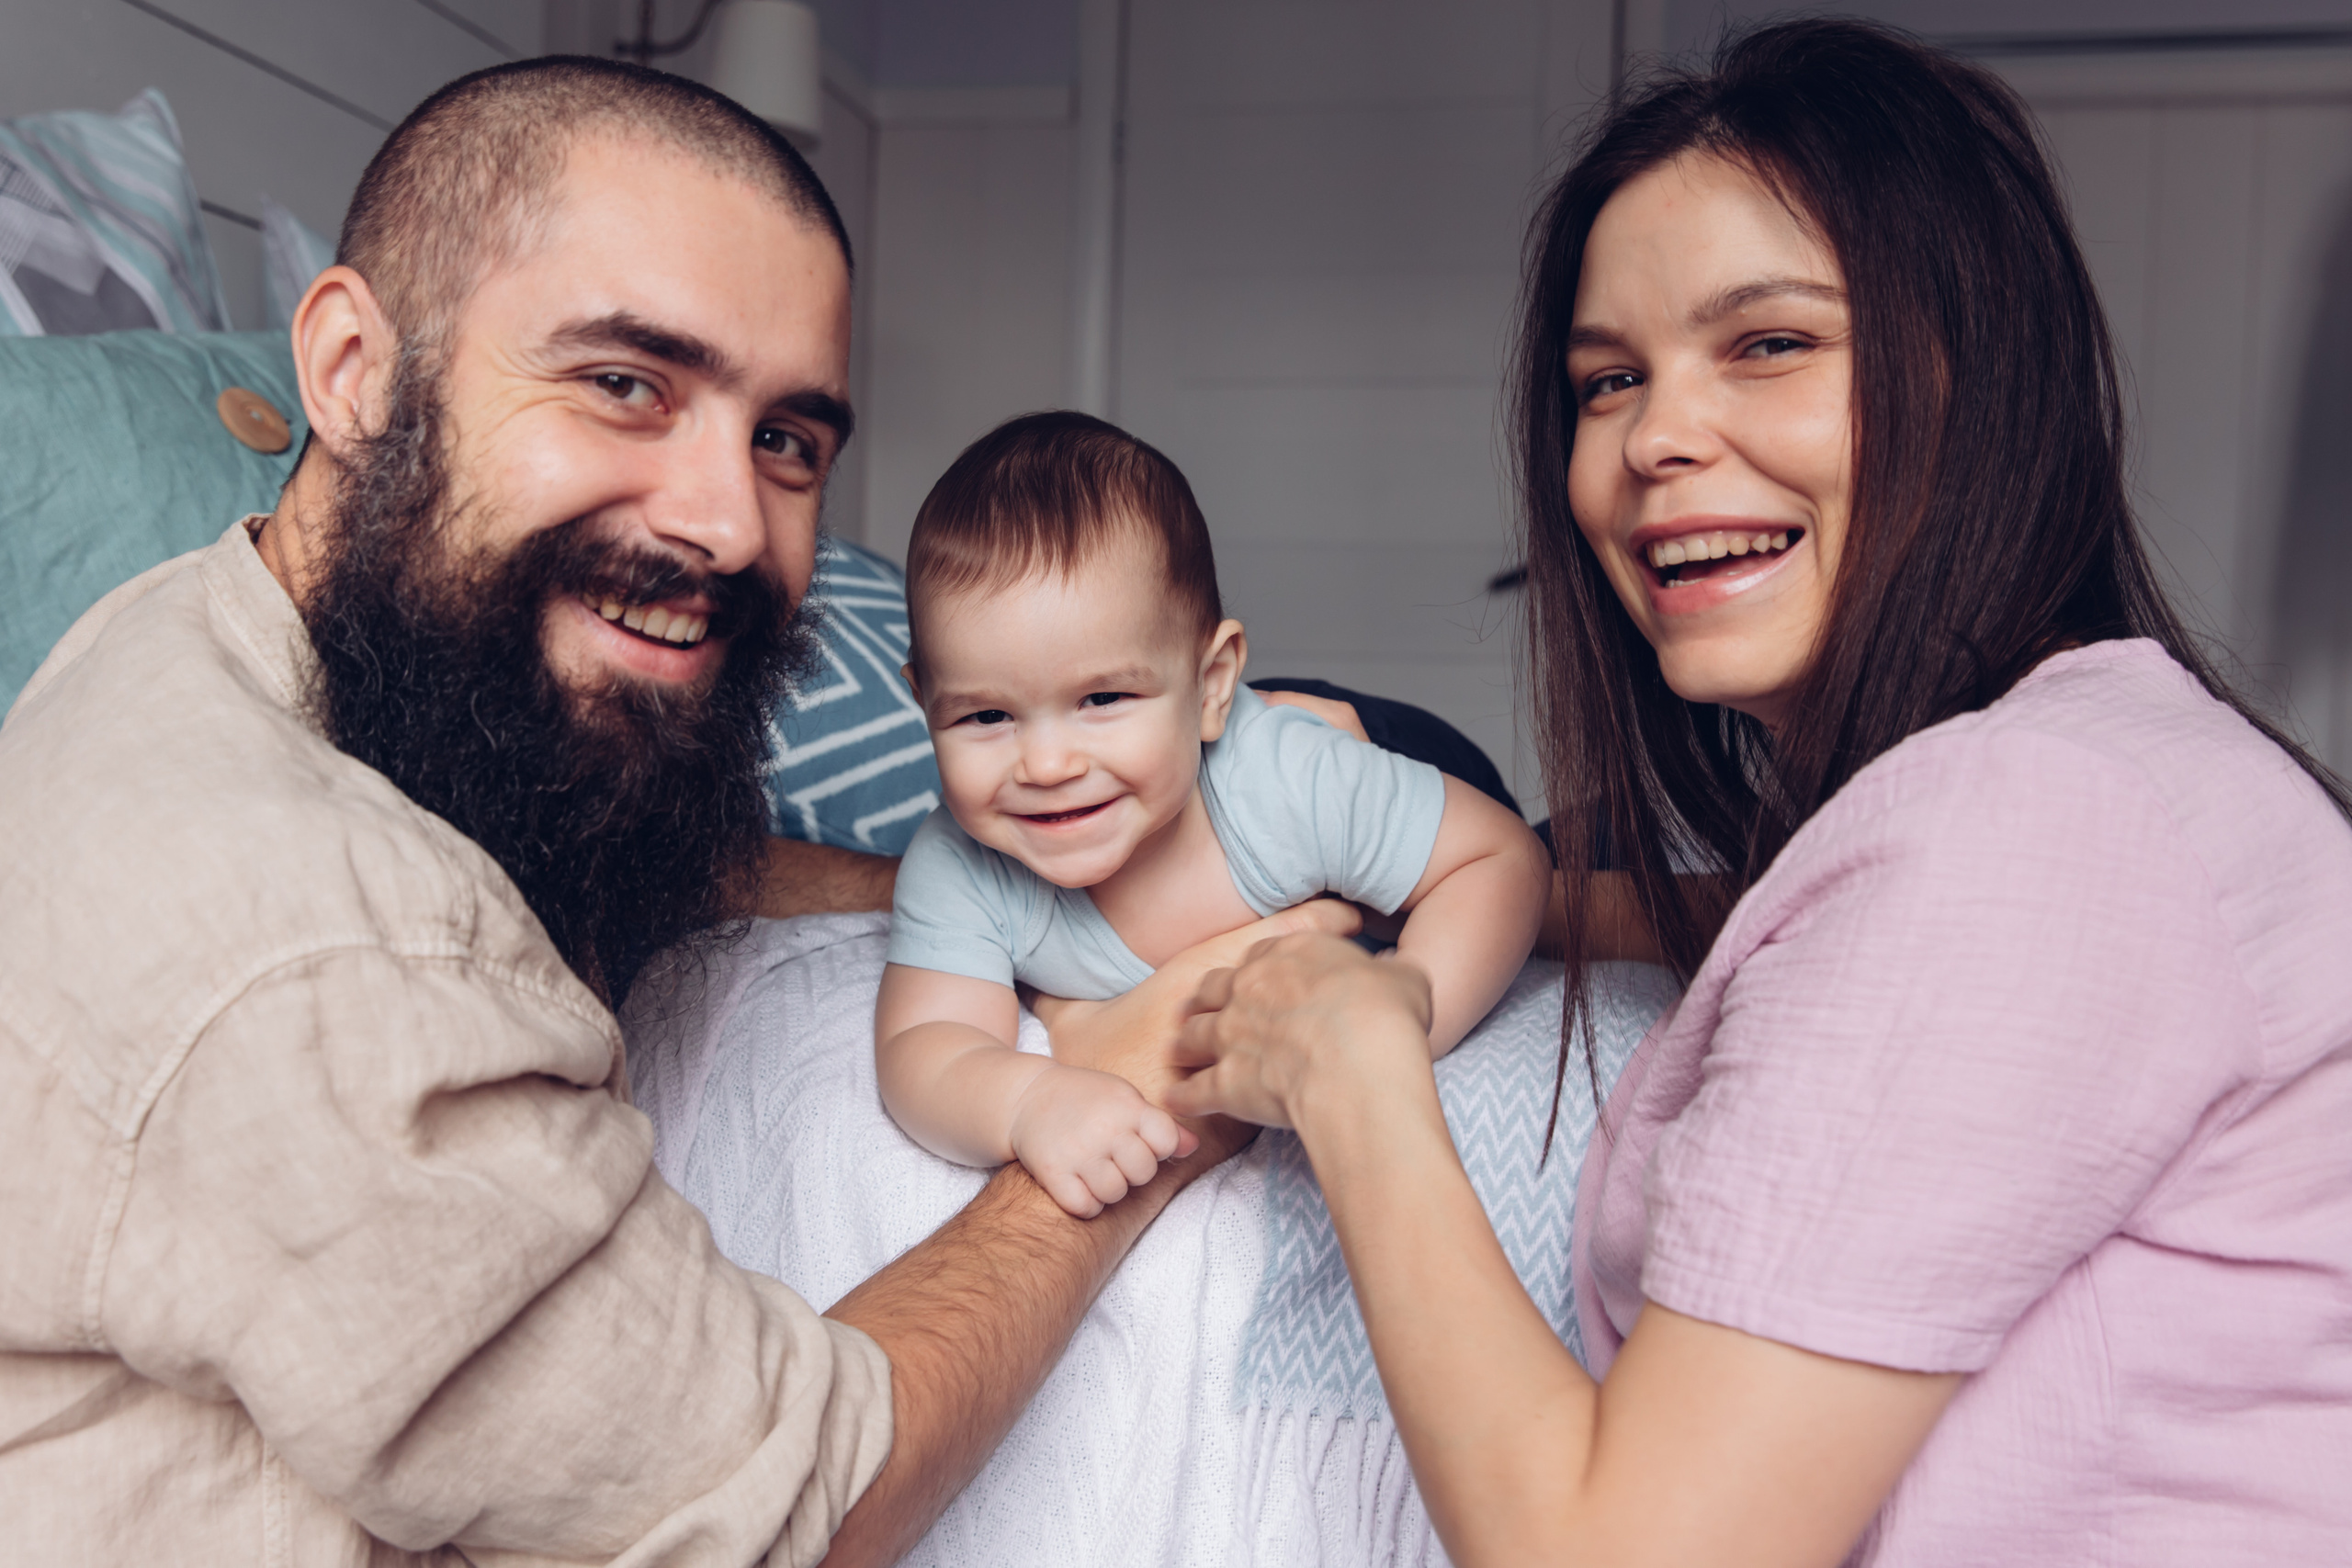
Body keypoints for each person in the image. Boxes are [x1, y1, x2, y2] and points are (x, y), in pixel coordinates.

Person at [0, 57, 1354, 1565]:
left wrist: (1055, 903)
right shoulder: (295, 934)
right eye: (626, 385)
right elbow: (777, 1505)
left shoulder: (211, 635)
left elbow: (653, 863)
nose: (725, 521)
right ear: (350, 368)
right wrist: (1147, 1119)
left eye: (787, 439)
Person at [1159, 20, 2352, 1568]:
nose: (1656, 437)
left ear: (1975, 376)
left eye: (1770, 343)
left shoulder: (2028, 823)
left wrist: (1347, 1066)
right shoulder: (2078, 786)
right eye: (1607, 381)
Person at [874, 413, 1551, 1217]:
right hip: (1190, 750)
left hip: (1359, 743)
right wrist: (1027, 1102)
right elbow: (925, 1048)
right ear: (925, 704)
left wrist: (1397, 1024)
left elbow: (1501, 860)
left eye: (1102, 698)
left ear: (1212, 682)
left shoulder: (1288, 786)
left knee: (1569, 857)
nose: (1047, 766)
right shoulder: (960, 863)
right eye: (985, 717)